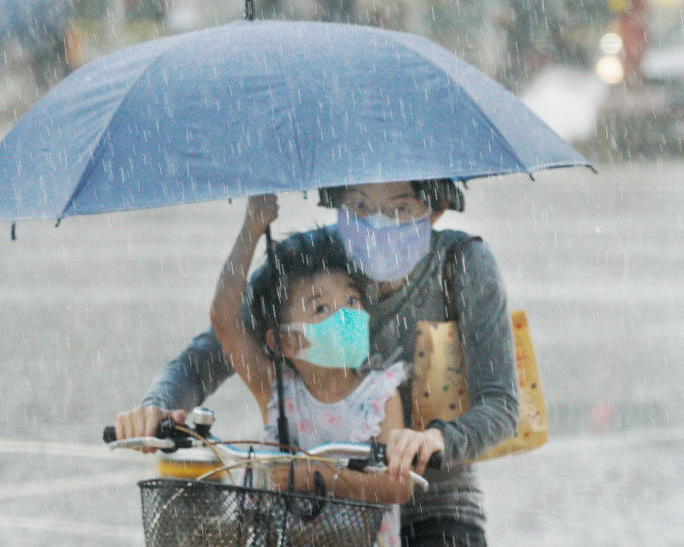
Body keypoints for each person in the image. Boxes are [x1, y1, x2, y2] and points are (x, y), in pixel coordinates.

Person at [116, 179, 520, 546]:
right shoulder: (304, 263)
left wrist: (435, 440)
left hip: (437, 506)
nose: (377, 224)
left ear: (436, 208)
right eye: (359, 206)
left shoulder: (463, 265)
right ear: (337, 202)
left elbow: (501, 406)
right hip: (308, 516)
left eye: (401, 208)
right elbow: (212, 348)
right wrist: (158, 407)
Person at [210, 194, 421, 545]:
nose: (346, 316)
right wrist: (252, 227)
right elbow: (224, 319)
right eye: (321, 308)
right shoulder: (277, 391)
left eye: (352, 301)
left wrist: (321, 476)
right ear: (283, 343)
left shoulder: (379, 395)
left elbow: (397, 487)